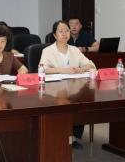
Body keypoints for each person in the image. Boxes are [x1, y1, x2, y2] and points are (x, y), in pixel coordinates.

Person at [40, 20, 96, 149]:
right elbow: (43, 69)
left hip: (74, 88)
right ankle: (59, 135)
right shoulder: (47, 51)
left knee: (80, 102)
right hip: (54, 89)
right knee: (61, 105)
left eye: (66, 31)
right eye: (61, 31)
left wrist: (81, 68)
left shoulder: (74, 50)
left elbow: (91, 65)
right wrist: (62, 70)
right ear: (55, 35)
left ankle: (74, 137)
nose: (64, 34)